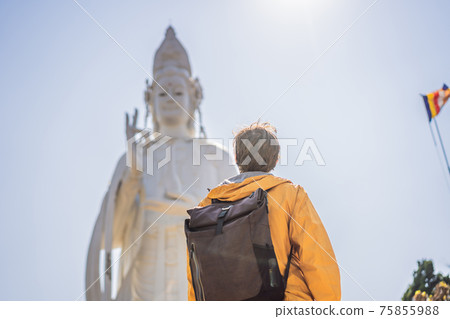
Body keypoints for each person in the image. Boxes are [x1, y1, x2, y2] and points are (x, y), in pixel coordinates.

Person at [187, 122, 341, 301]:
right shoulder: (289, 194)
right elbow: (316, 258)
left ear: (236, 158)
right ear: (275, 159)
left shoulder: (206, 206)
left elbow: (196, 271)